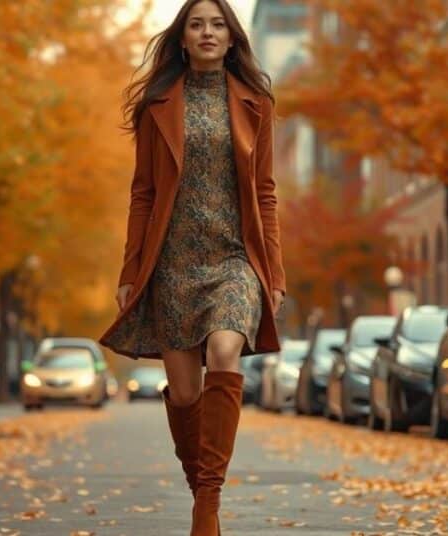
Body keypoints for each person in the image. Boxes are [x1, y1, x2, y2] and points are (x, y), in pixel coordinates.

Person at [97, 1, 286, 533]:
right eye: (197, 24)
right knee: (184, 395)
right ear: (183, 39)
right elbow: (143, 193)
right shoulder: (158, 104)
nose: (207, 32)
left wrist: (273, 272)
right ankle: (201, 486)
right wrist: (131, 271)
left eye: (217, 24)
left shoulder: (256, 104)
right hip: (173, 261)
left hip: (234, 256)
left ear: (231, 37)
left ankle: (208, 503)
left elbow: (265, 193)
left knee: (226, 349)